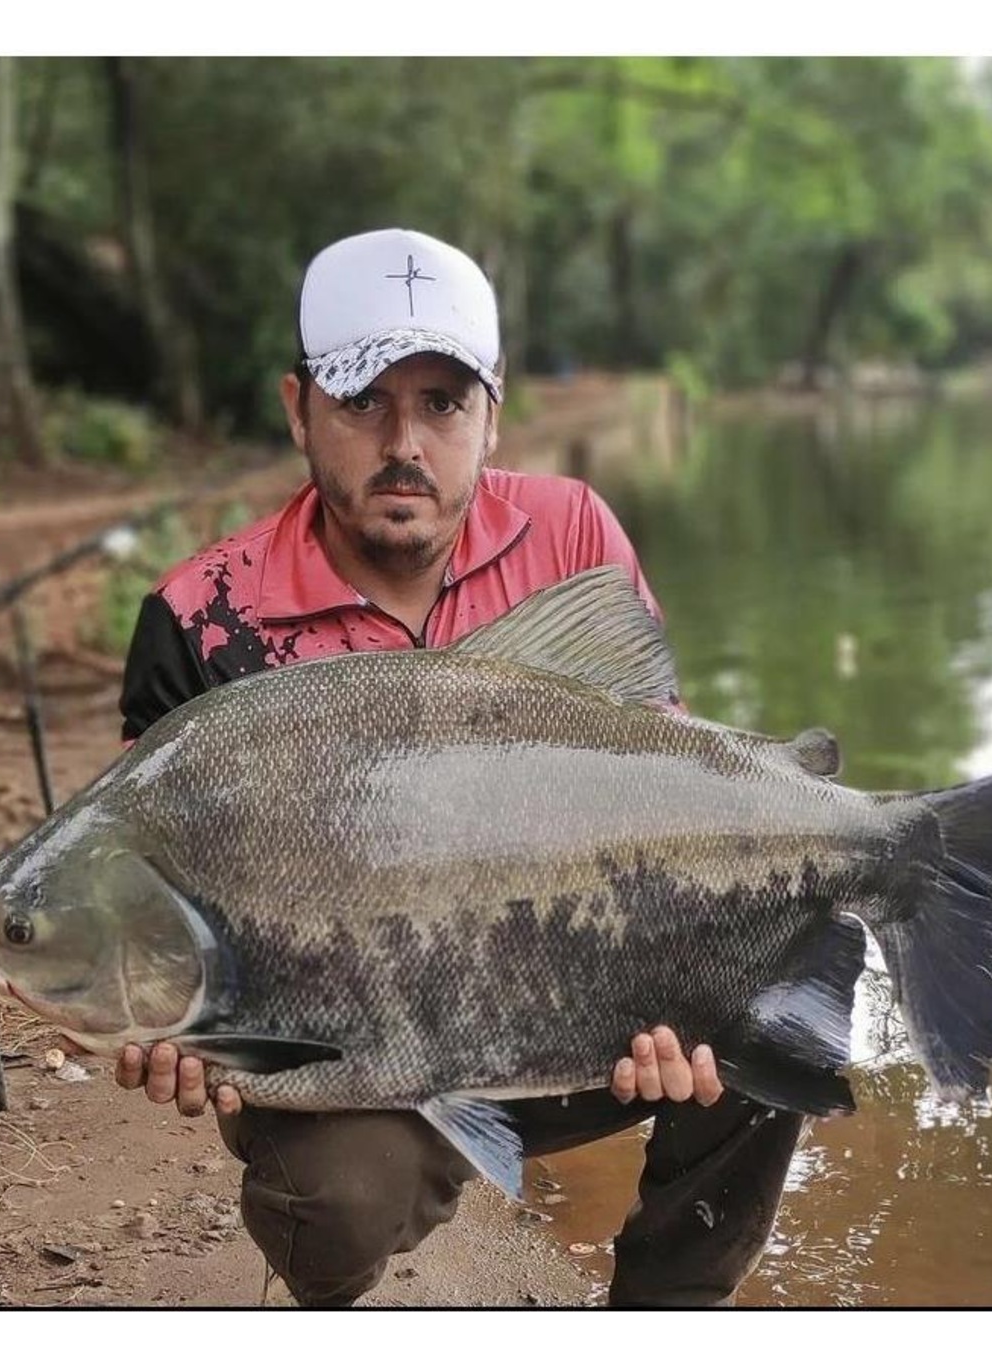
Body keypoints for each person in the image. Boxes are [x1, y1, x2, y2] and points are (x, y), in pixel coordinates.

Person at [114, 227, 807, 1307]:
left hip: (574, 988)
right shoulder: (200, 620)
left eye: (441, 404)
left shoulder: (573, 528)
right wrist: (176, 1031)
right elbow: (150, 905)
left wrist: (686, 983)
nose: (405, 442)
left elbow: (658, 793)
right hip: (344, 1037)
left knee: (772, 1033)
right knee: (328, 1209)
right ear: (298, 408)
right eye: (361, 400)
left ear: (492, 413)